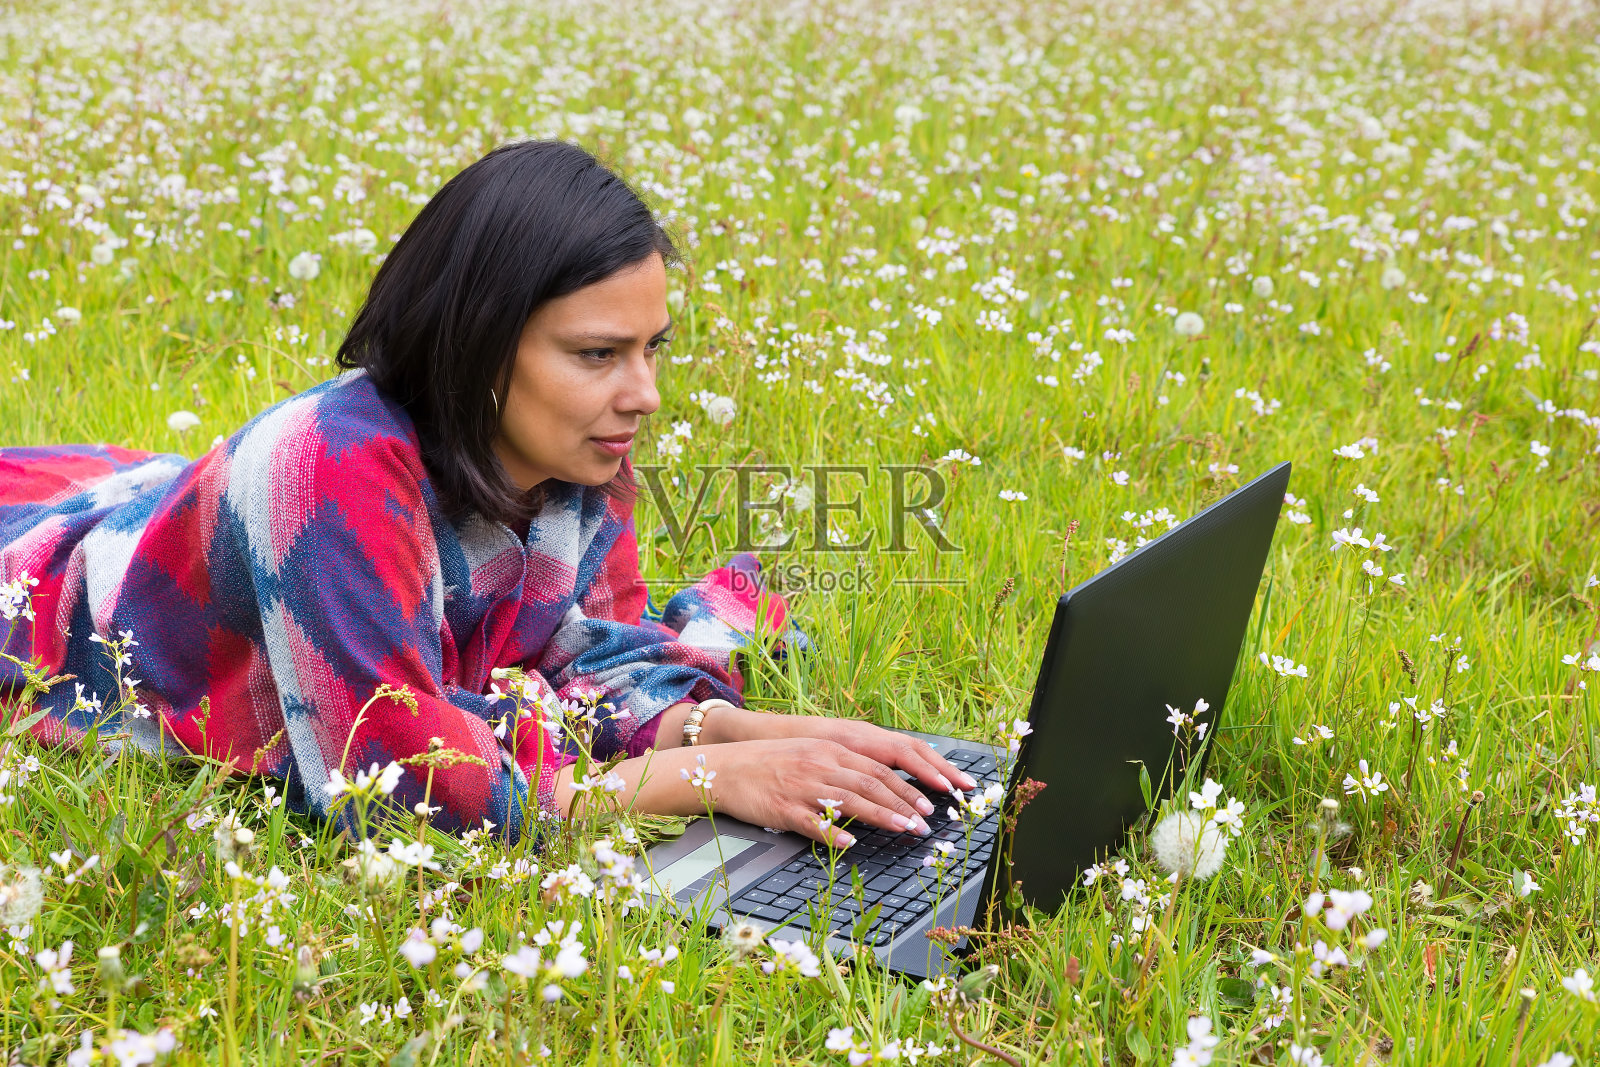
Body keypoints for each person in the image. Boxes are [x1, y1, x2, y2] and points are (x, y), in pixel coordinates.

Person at [0, 139, 976, 849]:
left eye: (651, 349)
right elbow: (389, 777)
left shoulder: (579, 458)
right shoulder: (323, 472)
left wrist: (750, 729)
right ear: (475, 341)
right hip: (55, 588)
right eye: (598, 354)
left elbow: (577, 661)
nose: (644, 394)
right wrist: (704, 776)